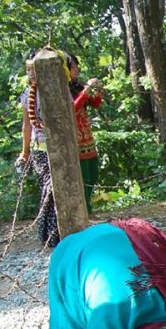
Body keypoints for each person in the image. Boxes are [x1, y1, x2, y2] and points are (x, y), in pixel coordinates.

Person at [16, 51, 59, 248]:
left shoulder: (58, 91)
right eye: (29, 71)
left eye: (34, 70)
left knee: (60, 188)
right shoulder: (27, 95)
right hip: (40, 149)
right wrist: (24, 152)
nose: (31, 74)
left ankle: (59, 229)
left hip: (59, 148)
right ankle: (48, 232)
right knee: (50, 188)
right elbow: (27, 126)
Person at [67, 53, 104, 216]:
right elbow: (71, 110)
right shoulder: (61, 89)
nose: (77, 70)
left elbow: (94, 104)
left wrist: (97, 90)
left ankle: (88, 208)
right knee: (82, 178)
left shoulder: (77, 86)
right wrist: (86, 92)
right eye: (73, 67)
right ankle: (84, 212)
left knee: (92, 173)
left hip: (87, 137)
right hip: (74, 140)